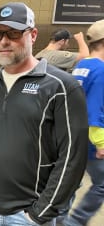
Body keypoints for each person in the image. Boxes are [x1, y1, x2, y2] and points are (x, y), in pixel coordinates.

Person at [0, 2, 89, 225]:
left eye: (14, 33)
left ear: (33, 35)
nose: (4, 41)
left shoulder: (61, 87)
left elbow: (73, 159)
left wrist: (40, 213)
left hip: (28, 214)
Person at [63, 19, 104, 226]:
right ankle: (75, 222)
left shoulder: (83, 65)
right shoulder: (102, 70)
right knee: (102, 184)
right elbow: (94, 110)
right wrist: (101, 144)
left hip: (74, 135)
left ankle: (59, 219)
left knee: (72, 182)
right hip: (91, 139)